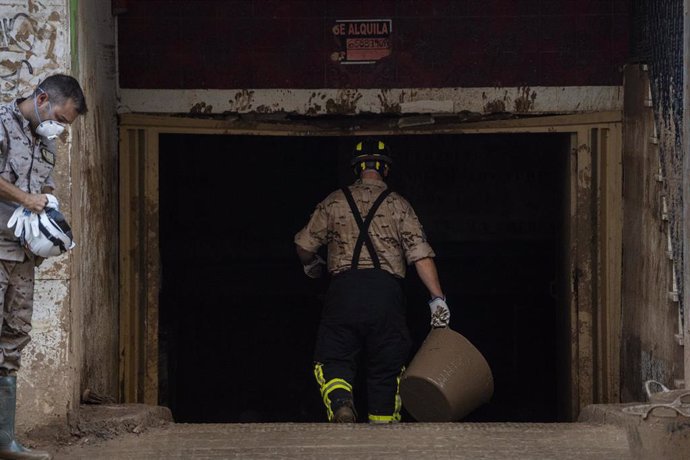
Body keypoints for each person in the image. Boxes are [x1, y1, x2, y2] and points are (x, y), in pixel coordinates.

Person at [294, 139, 450, 424]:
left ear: (356, 169)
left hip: (344, 293)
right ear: (386, 170)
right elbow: (420, 255)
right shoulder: (399, 205)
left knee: (334, 358)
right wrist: (437, 299)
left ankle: (342, 403)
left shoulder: (334, 201)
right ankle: (383, 432)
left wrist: (311, 266)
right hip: (385, 296)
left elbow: (304, 245)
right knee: (386, 369)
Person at [0, 74, 87, 460]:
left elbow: (45, 186)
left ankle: (5, 441)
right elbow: (21, 192)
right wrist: (26, 198)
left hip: (24, 254)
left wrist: (48, 203)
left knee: (14, 337)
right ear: (41, 98)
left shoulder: (44, 139)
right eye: (61, 118)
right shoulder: (2, 123)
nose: (61, 127)